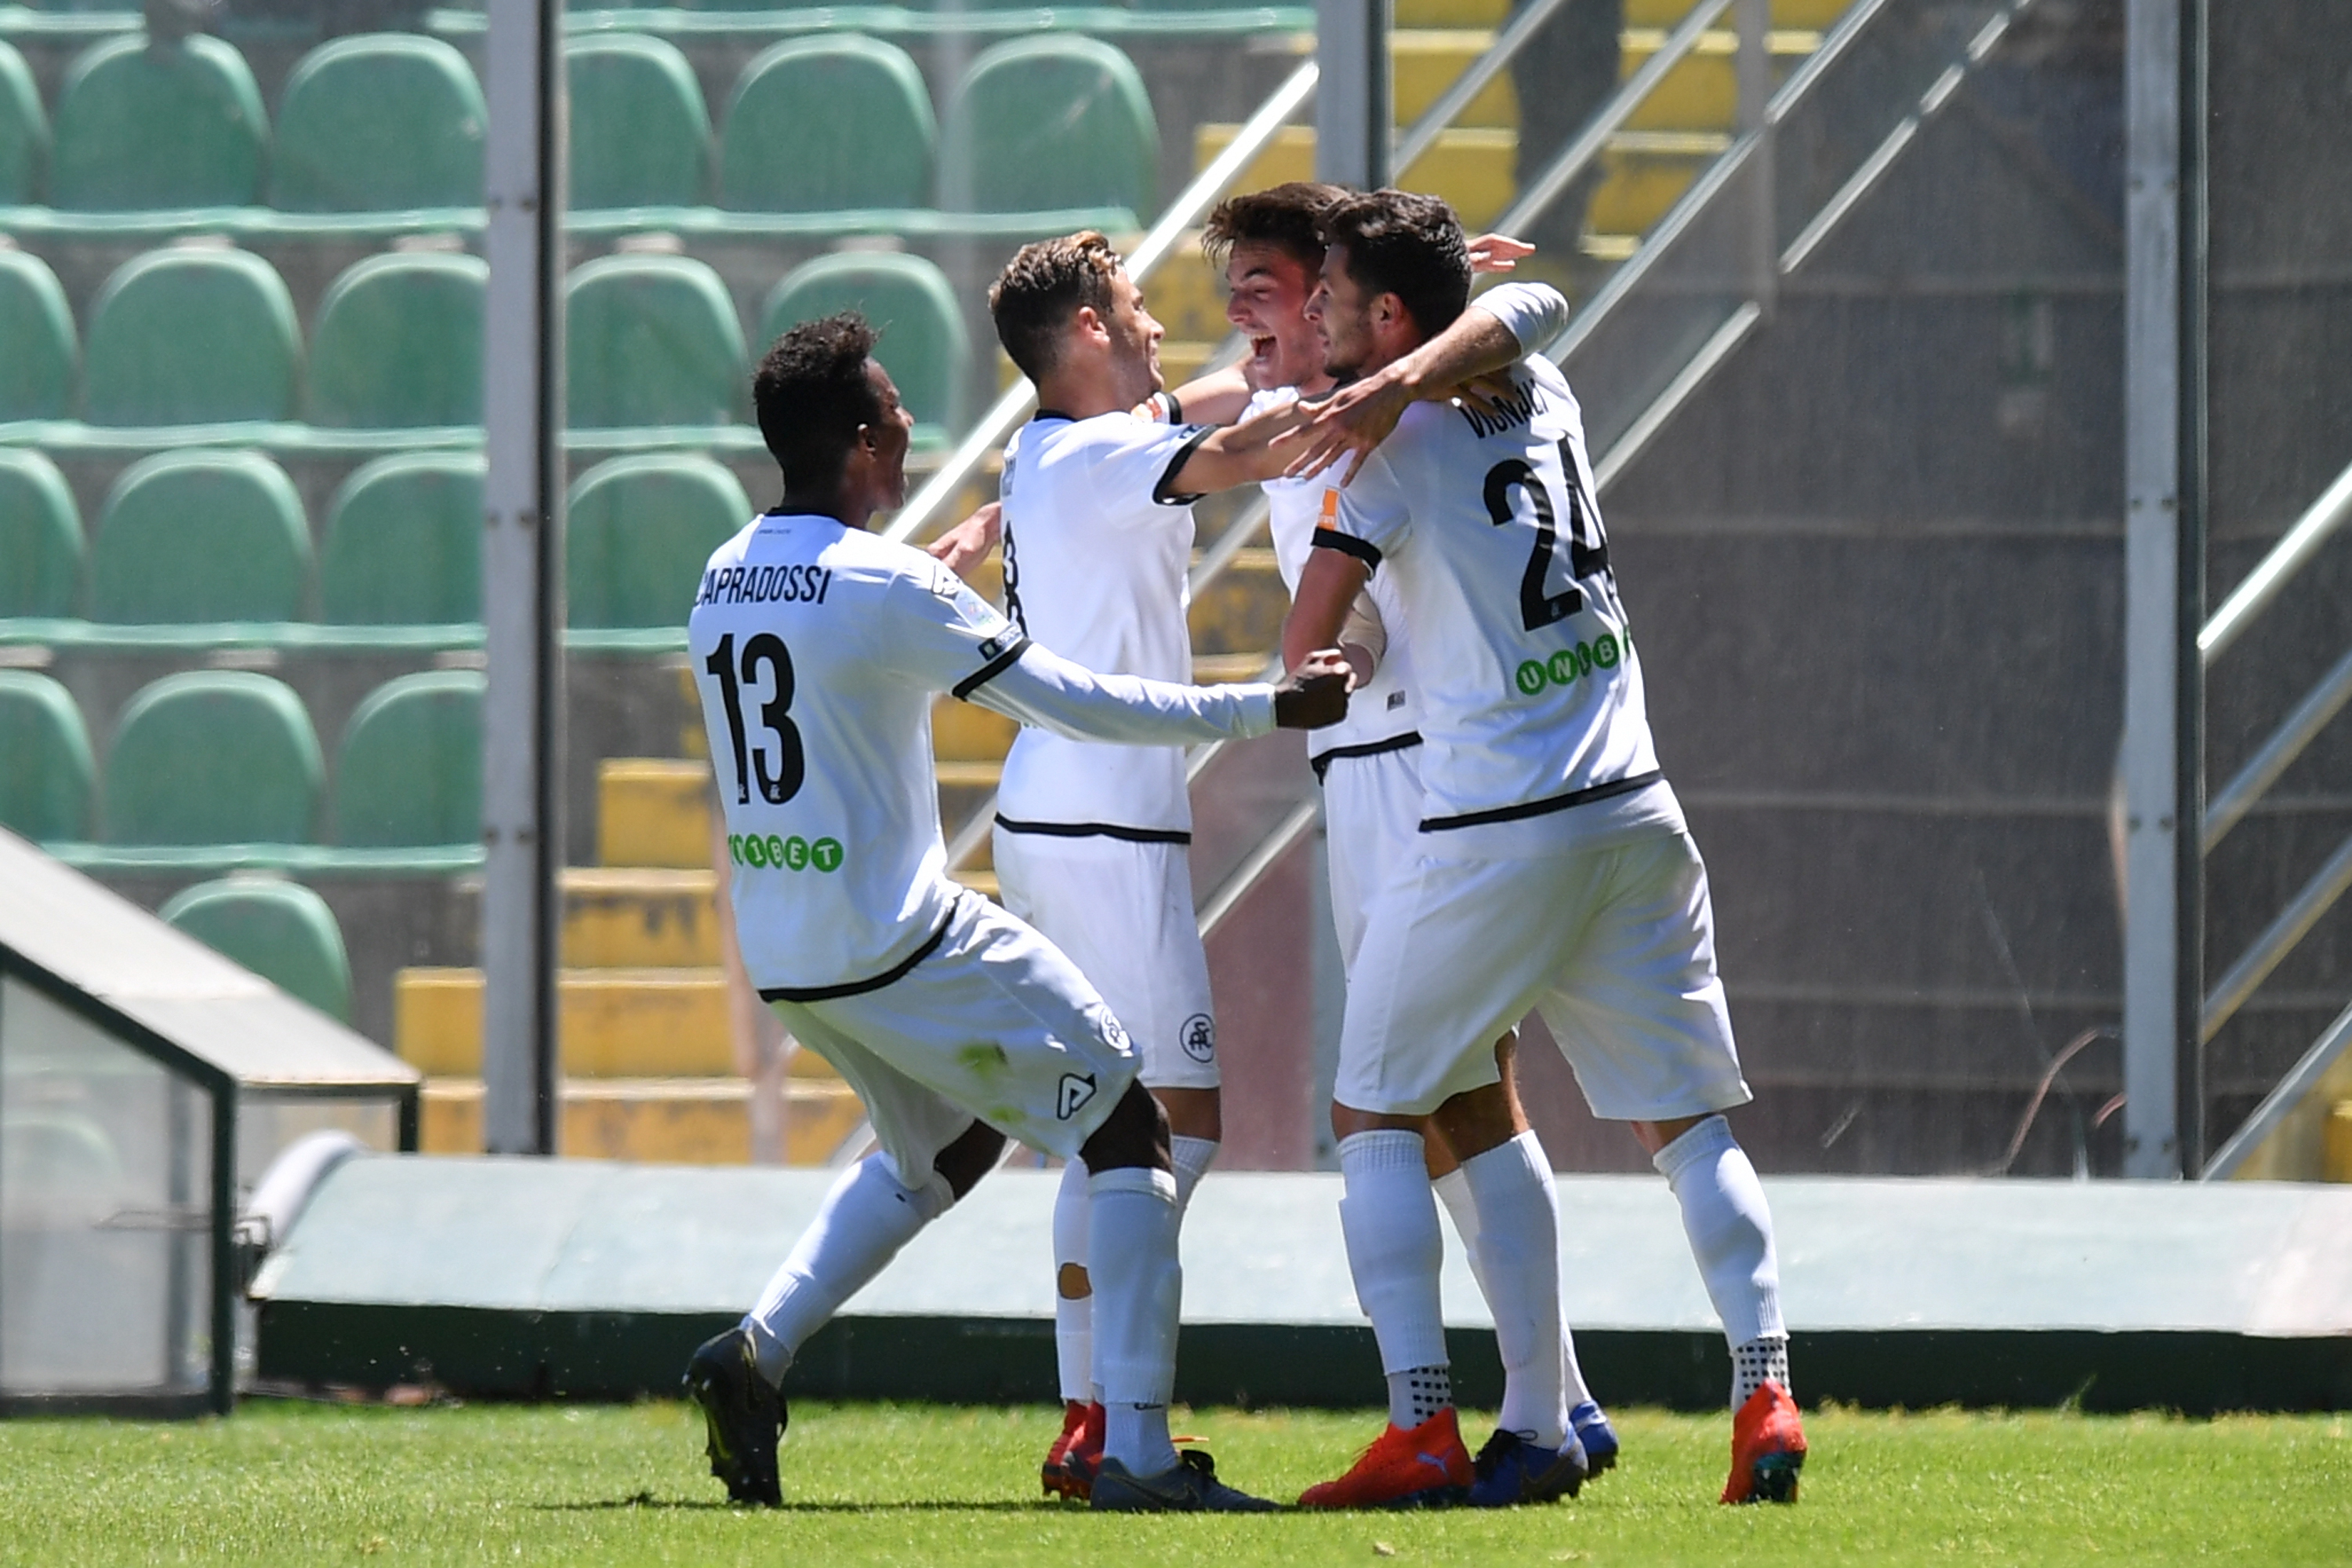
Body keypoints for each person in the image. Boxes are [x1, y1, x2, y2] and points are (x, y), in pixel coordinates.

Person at [678, 312, 1350, 1514]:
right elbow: (1074, 701)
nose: (908, 431)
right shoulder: (887, 585)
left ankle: (753, 1354)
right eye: (891, 419)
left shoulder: (724, 572)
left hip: (789, 953)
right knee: (1129, 1127)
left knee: (951, 1145)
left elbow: (832, 658)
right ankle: (1136, 1456)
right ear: (854, 444)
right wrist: (1262, 708)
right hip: (898, 939)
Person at [1280, 190, 1808, 1507]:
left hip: (1501, 830)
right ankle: (1766, 1389)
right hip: (1636, 808)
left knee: (1373, 1107)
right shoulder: (1549, 389)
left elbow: (1312, 647)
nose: (1310, 310)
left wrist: (1337, 658)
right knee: (1690, 1130)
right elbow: (1533, 307)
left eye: (1331, 291)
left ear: (1390, 314)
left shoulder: (1379, 454)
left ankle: (1418, 1421)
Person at [1178, 183, 1618, 1509]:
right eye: (1238, 285)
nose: (1251, 308)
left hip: (1425, 770)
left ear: (1338, 302)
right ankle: (1559, 1403)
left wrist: (1430, 343)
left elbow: (1529, 307)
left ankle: (1450, 1421)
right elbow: (1169, 417)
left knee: (1420, 1099)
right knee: (1452, 1105)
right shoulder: (1295, 401)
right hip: (1375, 772)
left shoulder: (1391, 409)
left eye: (1271, 279)